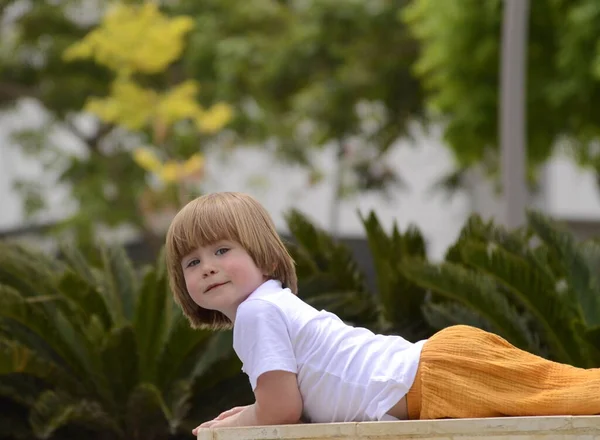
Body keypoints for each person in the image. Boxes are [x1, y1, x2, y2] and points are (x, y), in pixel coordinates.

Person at [165, 192, 600, 435]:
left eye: (222, 250)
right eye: (192, 262)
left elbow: (280, 411)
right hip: (439, 369)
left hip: (437, 378)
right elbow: (288, 400)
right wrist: (253, 409)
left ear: (263, 256)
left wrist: (237, 421)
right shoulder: (271, 306)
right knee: (572, 389)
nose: (208, 266)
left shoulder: (258, 313)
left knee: (579, 397)